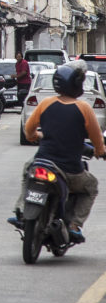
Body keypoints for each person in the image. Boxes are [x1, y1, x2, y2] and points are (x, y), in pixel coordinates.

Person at [8, 60, 106, 240]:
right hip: (70, 171)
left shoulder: (45, 103)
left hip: (42, 162)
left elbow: (29, 130)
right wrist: (100, 151)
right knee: (91, 186)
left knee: (27, 171)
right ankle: (75, 224)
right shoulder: (83, 108)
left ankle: (21, 209)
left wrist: (35, 136)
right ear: (76, 85)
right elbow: (97, 139)